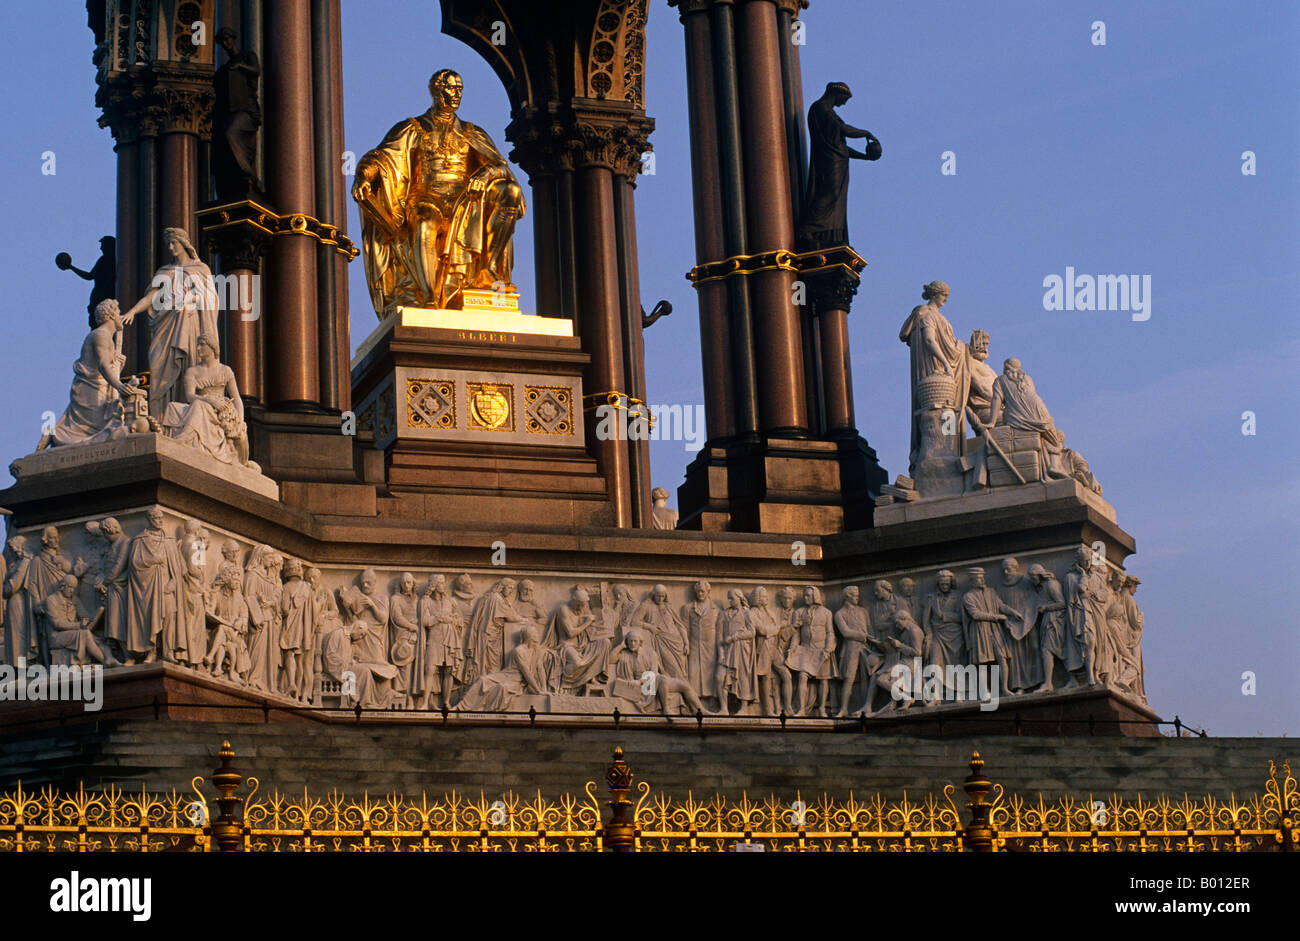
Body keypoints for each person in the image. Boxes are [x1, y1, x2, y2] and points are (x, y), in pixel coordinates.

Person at [352, 69, 525, 314]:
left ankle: (490, 269)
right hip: (425, 198)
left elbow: (501, 167)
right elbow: (380, 158)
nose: (456, 95)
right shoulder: (412, 128)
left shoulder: (472, 132)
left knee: (511, 192)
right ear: (436, 90)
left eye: (460, 89)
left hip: (466, 201)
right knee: (424, 224)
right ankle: (429, 297)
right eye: (451, 88)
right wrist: (363, 176)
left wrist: (485, 174)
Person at [121, 228, 218, 416]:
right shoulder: (165, 271)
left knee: (189, 366)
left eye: (174, 243)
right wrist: (132, 311)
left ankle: (189, 415)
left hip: (189, 326)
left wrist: (189, 299)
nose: (171, 247)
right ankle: (161, 415)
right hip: (166, 325)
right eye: (168, 244)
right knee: (157, 364)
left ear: (184, 243)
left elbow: (210, 297)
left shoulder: (200, 269)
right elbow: (151, 297)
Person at [38, 299, 140, 450]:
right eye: (118, 313)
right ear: (111, 316)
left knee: (100, 425)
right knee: (92, 427)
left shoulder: (107, 339)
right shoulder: (100, 335)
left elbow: (106, 365)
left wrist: (118, 365)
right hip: (90, 389)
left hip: (100, 387)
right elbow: (102, 365)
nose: (120, 317)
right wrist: (119, 386)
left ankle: (58, 433)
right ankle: (58, 435)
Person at [897, 281, 970, 476]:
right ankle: (939, 451)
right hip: (934, 372)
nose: (946, 299)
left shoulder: (937, 316)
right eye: (944, 295)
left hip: (943, 371)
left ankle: (951, 448)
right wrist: (945, 361)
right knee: (941, 411)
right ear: (936, 294)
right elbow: (929, 340)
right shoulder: (927, 314)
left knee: (950, 410)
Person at [797, 81, 880, 249]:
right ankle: (807, 230)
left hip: (837, 162)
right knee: (829, 194)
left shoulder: (828, 112)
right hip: (828, 163)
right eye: (844, 99)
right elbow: (844, 130)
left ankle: (826, 234)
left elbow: (840, 147)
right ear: (836, 93)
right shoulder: (821, 109)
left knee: (835, 198)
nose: (844, 103)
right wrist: (866, 133)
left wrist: (865, 157)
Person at [162, 334, 256, 470]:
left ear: (212, 347)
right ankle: (185, 437)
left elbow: (237, 399)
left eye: (202, 345)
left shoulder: (225, 370)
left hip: (221, 411)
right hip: (201, 403)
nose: (198, 348)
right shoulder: (192, 371)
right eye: (198, 344)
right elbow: (189, 396)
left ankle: (186, 436)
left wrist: (240, 422)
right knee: (173, 407)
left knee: (199, 406)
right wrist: (207, 399)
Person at [212, 28, 263, 201]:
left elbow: (256, 70)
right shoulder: (224, 69)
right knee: (222, 140)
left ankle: (250, 175)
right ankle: (238, 178)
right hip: (230, 111)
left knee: (231, 133)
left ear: (233, 38)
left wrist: (240, 66)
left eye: (227, 39)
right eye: (222, 42)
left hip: (247, 109)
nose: (226, 44)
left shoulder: (247, 56)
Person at [42, 575, 119, 667]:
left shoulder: (74, 599)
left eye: (74, 588)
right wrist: (78, 625)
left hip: (72, 633)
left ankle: (109, 658)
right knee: (84, 633)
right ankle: (104, 661)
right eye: (70, 587)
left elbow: (86, 616)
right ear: (63, 586)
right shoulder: (51, 600)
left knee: (98, 637)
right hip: (57, 637)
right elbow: (56, 623)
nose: (72, 591)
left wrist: (101, 608)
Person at [544, 587, 611, 694]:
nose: (582, 607)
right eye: (580, 604)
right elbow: (570, 633)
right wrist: (587, 623)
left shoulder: (582, 608)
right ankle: (565, 684)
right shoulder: (563, 609)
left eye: (584, 604)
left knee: (605, 642)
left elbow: (590, 628)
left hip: (583, 644)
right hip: (566, 645)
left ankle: (592, 677)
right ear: (573, 599)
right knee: (577, 663)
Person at [790, 586, 836, 716]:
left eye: (808, 595)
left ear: (815, 596)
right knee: (802, 676)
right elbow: (796, 634)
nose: (805, 598)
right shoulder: (799, 612)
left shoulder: (826, 612)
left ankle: (821, 708)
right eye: (804, 595)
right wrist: (793, 648)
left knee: (823, 679)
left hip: (822, 649)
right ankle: (801, 709)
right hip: (805, 649)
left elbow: (830, 632)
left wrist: (828, 648)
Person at [631, 584, 689, 682]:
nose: (660, 598)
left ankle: (677, 693)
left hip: (677, 642)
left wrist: (686, 642)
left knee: (681, 670)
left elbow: (680, 625)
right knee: (673, 669)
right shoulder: (646, 605)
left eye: (663, 596)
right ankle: (678, 691)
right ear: (653, 594)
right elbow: (634, 621)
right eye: (658, 595)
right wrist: (650, 627)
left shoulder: (668, 607)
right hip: (661, 641)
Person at [57, 236, 116, 327]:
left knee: (97, 323)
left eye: (103, 246)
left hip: (101, 296)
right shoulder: (111, 260)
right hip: (107, 297)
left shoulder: (104, 260)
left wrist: (70, 267)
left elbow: (89, 276)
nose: (101, 248)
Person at [714, 588, 756, 715]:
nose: (730, 600)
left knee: (742, 678)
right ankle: (724, 708)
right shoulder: (723, 614)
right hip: (727, 651)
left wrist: (735, 637)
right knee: (719, 677)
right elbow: (719, 636)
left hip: (742, 650)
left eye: (732, 598)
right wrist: (720, 653)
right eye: (728, 598)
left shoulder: (746, 613)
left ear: (739, 597)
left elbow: (752, 632)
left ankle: (743, 708)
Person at [1028, 563, 1067, 692]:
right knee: (1052, 650)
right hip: (1048, 620)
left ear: (1039, 575)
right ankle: (1056, 681)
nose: (1032, 580)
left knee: (1049, 650)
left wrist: (1046, 608)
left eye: (1033, 577)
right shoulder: (1042, 587)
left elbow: (1062, 603)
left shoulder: (1051, 585)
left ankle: (1049, 683)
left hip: (1055, 620)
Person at [833, 586, 871, 717]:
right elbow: (845, 632)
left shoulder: (863, 611)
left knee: (866, 676)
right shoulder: (839, 614)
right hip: (850, 649)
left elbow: (869, 629)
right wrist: (862, 635)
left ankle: (866, 706)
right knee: (849, 678)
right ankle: (844, 708)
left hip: (866, 647)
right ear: (847, 596)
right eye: (854, 595)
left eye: (857, 595)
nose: (857, 598)